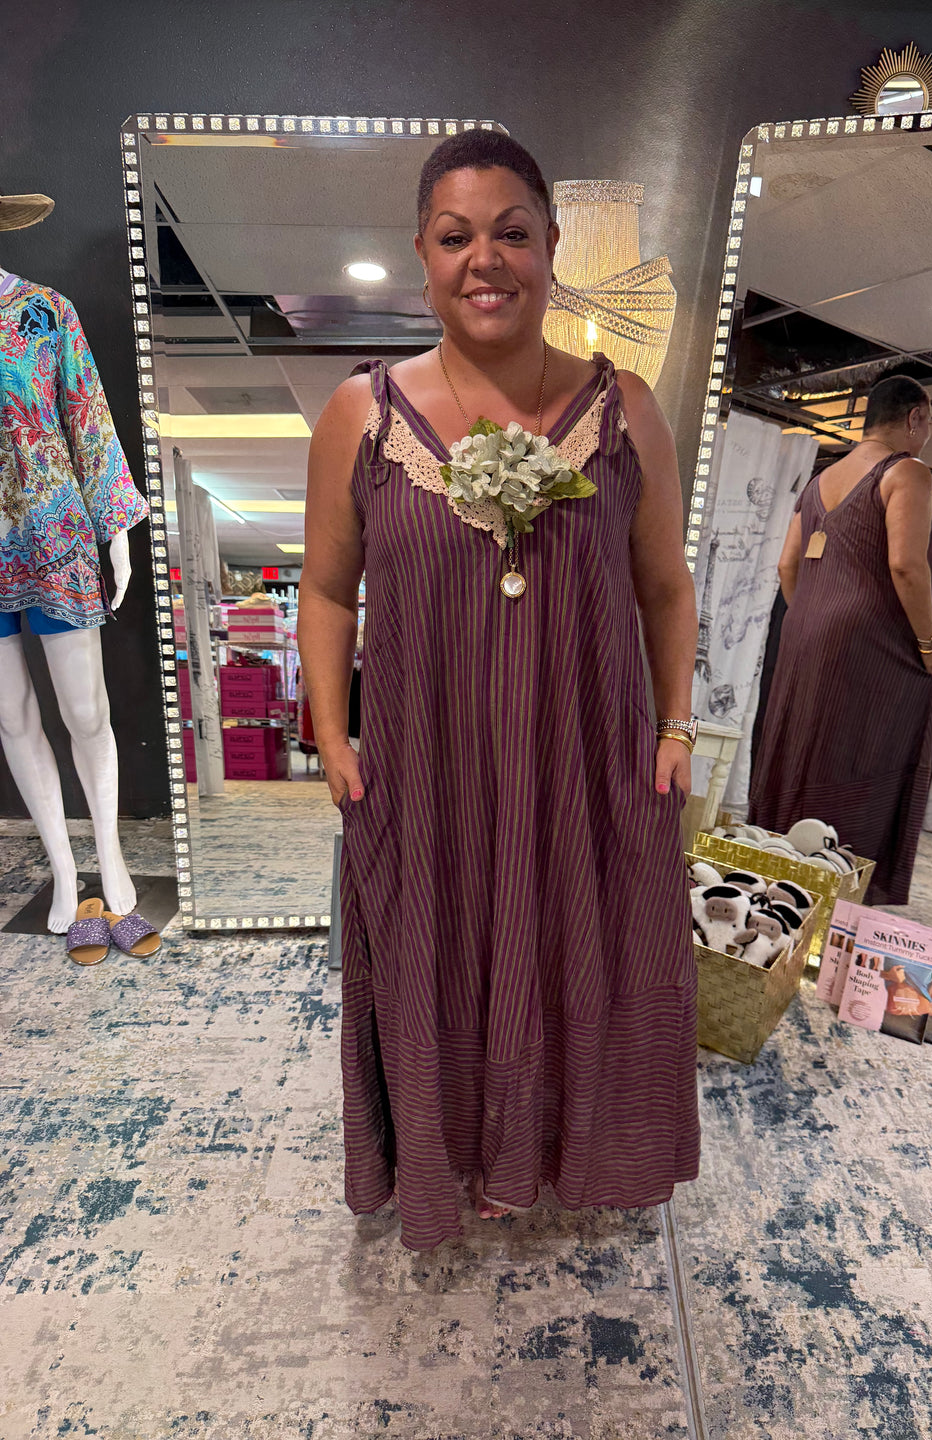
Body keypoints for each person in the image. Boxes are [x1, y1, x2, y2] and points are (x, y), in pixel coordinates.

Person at [298, 131, 700, 1251]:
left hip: (586, 764)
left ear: (552, 247)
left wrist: (675, 725)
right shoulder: (363, 415)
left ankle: (565, 1157)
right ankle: (454, 1162)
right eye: (456, 236)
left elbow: (666, 586)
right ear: (423, 258)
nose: (487, 258)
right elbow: (326, 590)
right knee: (437, 958)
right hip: (428, 771)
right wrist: (332, 731)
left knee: (586, 956)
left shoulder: (624, 409)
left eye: (513, 232)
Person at [748, 374, 932, 905]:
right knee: (862, 754)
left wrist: (815, 615)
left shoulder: (821, 479)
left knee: (800, 746)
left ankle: (776, 874)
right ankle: (835, 889)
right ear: (914, 418)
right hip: (873, 640)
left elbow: (787, 565)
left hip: (803, 632)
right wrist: (930, 643)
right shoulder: (908, 472)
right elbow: (906, 566)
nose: (927, 434)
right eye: (928, 422)